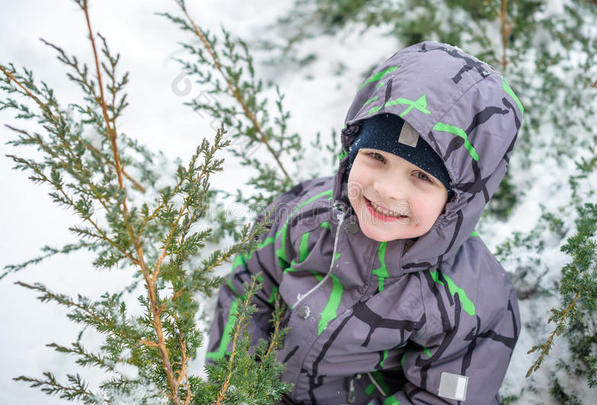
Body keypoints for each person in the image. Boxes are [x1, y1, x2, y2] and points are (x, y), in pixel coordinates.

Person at [206, 40, 523, 404]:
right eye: (376, 156)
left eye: (421, 176)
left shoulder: (469, 299)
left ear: (458, 200)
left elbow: (447, 397)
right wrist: (235, 386)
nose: (386, 189)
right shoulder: (303, 215)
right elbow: (247, 289)